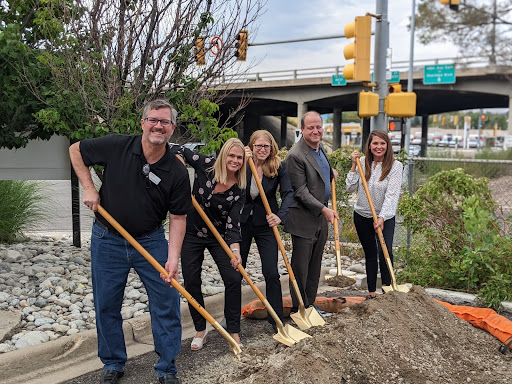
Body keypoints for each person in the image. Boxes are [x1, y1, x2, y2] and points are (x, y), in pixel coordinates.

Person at [68, 99, 191, 384]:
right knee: (107, 304)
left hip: (151, 241)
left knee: (166, 302)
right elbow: (76, 150)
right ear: (143, 122)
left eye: (164, 122)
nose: (158, 126)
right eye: (153, 119)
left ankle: (167, 368)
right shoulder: (118, 145)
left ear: (172, 129)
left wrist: (172, 258)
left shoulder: (176, 171)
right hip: (107, 238)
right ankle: (113, 362)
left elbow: (178, 218)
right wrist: (89, 188)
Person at [171, 138, 246, 350]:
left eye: (239, 157)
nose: (235, 160)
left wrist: (235, 252)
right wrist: (178, 161)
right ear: (223, 155)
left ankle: (233, 330)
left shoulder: (239, 189)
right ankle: (200, 329)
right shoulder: (206, 165)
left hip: (218, 237)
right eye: (231, 155)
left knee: (233, 277)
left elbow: (233, 225)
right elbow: (179, 148)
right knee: (192, 280)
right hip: (191, 233)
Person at [284, 111, 338, 314]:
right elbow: (300, 191)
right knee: (300, 268)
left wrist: (330, 173)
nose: (316, 131)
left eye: (318, 127)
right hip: (303, 219)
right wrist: (324, 209)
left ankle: (310, 304)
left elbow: (319, 172)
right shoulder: (295, 156)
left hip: (320, 219)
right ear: (302, 130)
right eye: (311, 128)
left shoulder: (320, 148)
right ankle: (299, 309)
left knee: (315, 265)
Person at [240, 130, 294, 331]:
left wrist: (279, 215)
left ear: (271, 148)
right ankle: (232, 321)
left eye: (266, 146)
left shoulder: (278, 166)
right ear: (251, 147)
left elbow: (288, 194)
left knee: (271, 272)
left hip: (266, 223)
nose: (262, 150)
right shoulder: (242, 164)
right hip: (241, 222)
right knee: (237, 271)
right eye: (258, 146)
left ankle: (277, 320)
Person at [346, 129, 403, 299]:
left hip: (385, 217)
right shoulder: (362, 162)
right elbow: (350, 187)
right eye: (375, 143)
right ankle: (371, 292)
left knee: (385, 252)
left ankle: (388, 289)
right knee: (370, 252)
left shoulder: (395, 166)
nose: (379, 147)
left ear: (387, 145)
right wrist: (354, 165)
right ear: (369, 146)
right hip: (362, 215)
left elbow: (391, 196)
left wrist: (382, 217)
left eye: (382, 143)